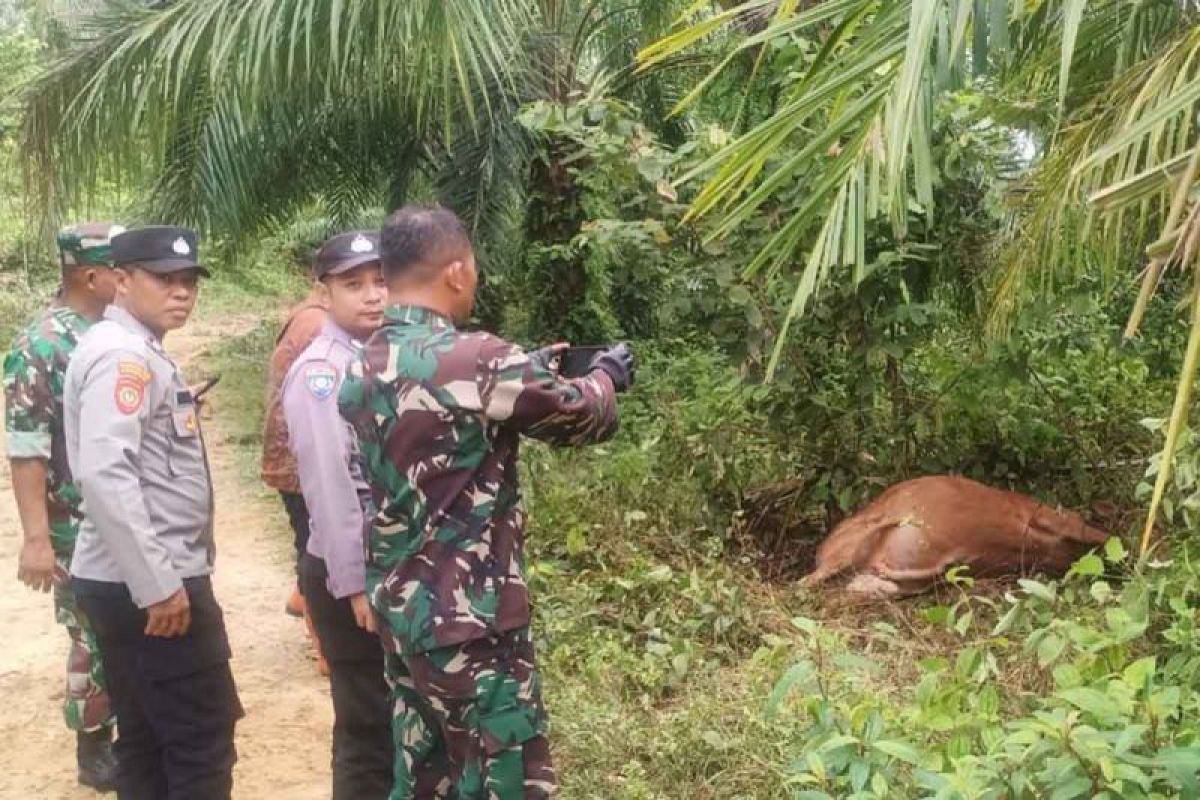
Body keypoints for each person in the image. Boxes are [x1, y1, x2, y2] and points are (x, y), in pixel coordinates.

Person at [338, 206, 636, 799]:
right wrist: (605, 376)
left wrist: (535, 370)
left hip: (405, 614)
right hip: (472, 621)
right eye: (472, 268)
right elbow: (581, 418)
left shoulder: (364, 359)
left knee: (427, 774)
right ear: (455, 271)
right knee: (505, 777)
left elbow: (458, 405)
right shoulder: (477, 359)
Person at [64, 225, 243, 799]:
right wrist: (158, 584)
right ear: (120, 281)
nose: (182, 292)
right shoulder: (124, 358)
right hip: (151, 585)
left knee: (145, 738)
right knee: (199, 738)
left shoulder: (133, 351)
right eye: (165, 279)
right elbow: (104, 471)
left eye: (189, 280)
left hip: (125, 578)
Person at [4, 222, 123, 791]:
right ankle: (93, 749)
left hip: (110, 515)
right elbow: (25, 446)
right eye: (119, 270)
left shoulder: (106, 330)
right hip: (73, 523)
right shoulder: (42, 345)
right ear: (90, 275)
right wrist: (35, 538)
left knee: (118, 626)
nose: (130, 279)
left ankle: (122, 730)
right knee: (91, 632)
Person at [282, 230, 393, 798]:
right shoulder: (323, 373)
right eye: (354, 284)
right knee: (368, 726)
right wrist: (356, 584)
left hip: (380, 568)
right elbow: (329, 487)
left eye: (380, 281)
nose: (373, 295)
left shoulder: (373, 358)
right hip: (349, 575)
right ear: (322, 291)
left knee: (388, 721)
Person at [259, 273, 329, 673]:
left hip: (290, 455)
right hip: (302, 459)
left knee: (308, 536)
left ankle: (303, 598)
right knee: (316, 542)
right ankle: (324, 643)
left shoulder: (307, 314)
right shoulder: (318, 325)